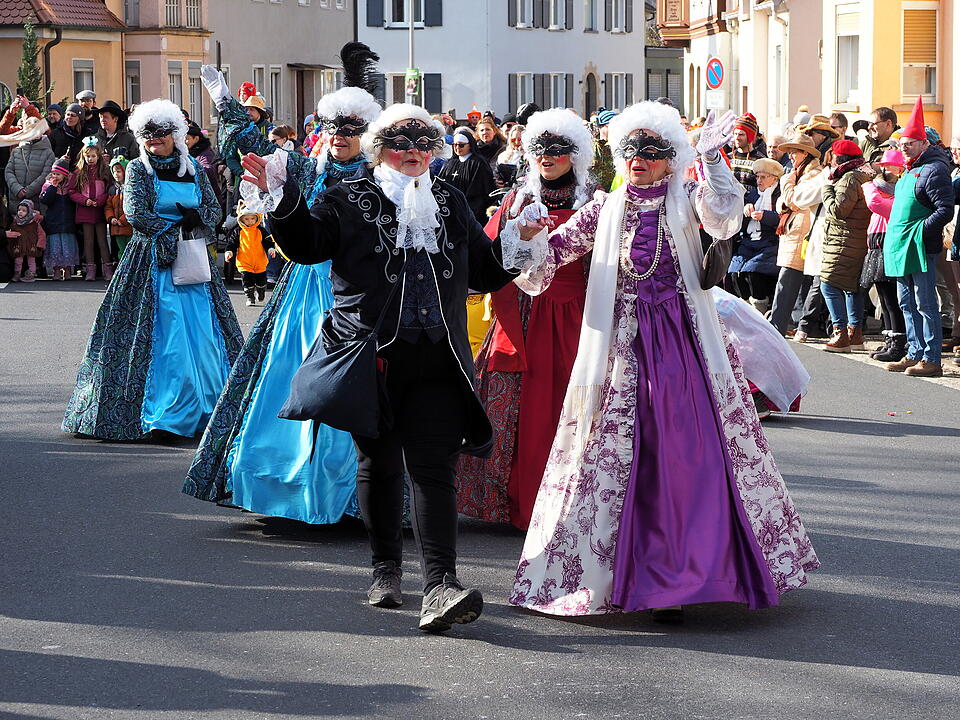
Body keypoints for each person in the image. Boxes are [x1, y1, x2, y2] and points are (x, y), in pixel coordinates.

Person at [506, 103, 817, 622]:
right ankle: (629, 574)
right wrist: (525, 235)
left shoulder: (688, 199)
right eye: (631, 151)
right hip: (621, 349)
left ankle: (689, 572)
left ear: (672, 160)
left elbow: (724, 216)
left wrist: (713, 159)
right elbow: (548, 257)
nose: (641, 161)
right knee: (619, 454)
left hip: (684, 345)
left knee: (688, 451)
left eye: (653, 152)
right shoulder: (603, 208)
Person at [244, 100, 523, 633]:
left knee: (434, 466)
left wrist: (516, 241)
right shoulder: (349, 197)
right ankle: (385, 568)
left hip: (439, 353)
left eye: (424, 143)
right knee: (379, 463)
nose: (414, 152)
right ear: (380, 150)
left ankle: (440, 584)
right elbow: (306, 246)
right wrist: (281, 197)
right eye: (401, 143)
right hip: (371, 354)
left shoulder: (449, 199)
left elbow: (485, 274)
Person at [183, 43, 381, 528]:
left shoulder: (380, 175)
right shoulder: (304, 166)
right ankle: (285, 486)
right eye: (335, 128)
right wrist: (225, 103)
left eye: (352, 130)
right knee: (288, 377)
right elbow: (249, 151)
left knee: (349, 387)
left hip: (354, 292)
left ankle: (349, 495)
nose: (341, 137)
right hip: (302, 291)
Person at [62, 98, 242, 441]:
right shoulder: (138, 170)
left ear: (175, 134)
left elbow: (213, 209)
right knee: (165, 334)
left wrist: (198, 220)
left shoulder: (194, 169)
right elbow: (137, 212)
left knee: (204, 334)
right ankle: (165, 413)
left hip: (192, 261)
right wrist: (174, 231)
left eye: (160, 134)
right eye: (147, 135)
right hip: (152, 260)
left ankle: (210, 407)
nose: (154, 140)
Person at [457, 108, 594, 530]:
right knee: (514, 402)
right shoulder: (517, 198)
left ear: (576, 154)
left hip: (577, 317)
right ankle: (516, 500)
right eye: (539, 149)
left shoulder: (594, 200)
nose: (547, 156)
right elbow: (491, 254)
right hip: (523, 314)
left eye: (557, 149)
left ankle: (572, 501)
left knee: (570, 406)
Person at [883, 99, 956, 378]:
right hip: (901, 247)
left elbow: (944, 210)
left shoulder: (934, 169)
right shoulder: (908, 170)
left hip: (920, 247)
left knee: (925, 303)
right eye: (902, 143)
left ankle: (931, 357)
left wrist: (920, 231)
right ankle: (914, 352)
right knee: (906, 303)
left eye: (910, 142)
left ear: (924, 144)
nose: (904, 146)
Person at [817, 139, 871, 353]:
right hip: (857, 239)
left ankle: (840, 333)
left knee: (828, 285)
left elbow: (839, 211)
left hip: (844, 240)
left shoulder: (849, 178)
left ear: (840, 158)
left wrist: (827, 192)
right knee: (852, 287)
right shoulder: (864, 174)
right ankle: (855, 334)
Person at [768, 134, 823, 336]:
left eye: (794, 152)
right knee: (791, 282)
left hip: (801, 233)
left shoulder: (812, 174)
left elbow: (793, 200)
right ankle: (786, 324)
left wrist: (786, 183)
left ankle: (777, 325)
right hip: (793, 232)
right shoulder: (797, 174)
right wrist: (787, 195)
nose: (790, 157)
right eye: (789, 152)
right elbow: (781, 204)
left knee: (788, 281)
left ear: (806, 153)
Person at [860, 149, 908, 362]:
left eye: (890, 166)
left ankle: (899, 342)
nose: (885, 170)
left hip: (889, 244)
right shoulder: (879, 188)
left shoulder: (899, 191)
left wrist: (868, 186)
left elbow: (877, 205)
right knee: (882, 297)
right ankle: (889, 339)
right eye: (883, 166)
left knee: (892, 299)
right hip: (876, 244)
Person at [729, 158, 783, 312]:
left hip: (770, 242)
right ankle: (745, 308)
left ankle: (759, 310)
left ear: (774, 179)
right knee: (734, 273)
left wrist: (765, 216)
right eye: (757, 177)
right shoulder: (752, 194)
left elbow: (782, 219)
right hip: (749, 241)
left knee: (754, 273)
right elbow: (740, 222)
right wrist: (745, 209)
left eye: (763, 177)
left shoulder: (779, 196)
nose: (759, 180)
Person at [68, 138, 113, 281]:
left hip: (99, 210)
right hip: (85, 210)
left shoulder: (104, 172)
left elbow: (109, 190)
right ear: (83, 156)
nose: (91, 159)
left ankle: (107, 269)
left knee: (102, 240)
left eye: (93, 156)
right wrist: (85, 200)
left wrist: (100, 200)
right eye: (88, 156)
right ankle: (90, 269)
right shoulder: (78, 172)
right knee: (88, 241)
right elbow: (72, 191)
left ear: (98, 156)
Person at [437, 128, 495, 224]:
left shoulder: (478, 163)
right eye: (455, 145)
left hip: (470, 212)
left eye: (461, 145)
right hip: (450, 210)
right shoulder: (450, 163)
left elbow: (479, 193)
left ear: (470, 145)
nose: (457, 148)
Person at [225, 204, 276, 306]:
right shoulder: (238, 231)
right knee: (247, 281)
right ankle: (250, 297)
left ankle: (261, 292)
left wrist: (271, 249)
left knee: (261, 281)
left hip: (259, 261)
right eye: (247, 219)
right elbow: (232, 244)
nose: (250, 221)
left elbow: (268, 242)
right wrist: (229, 252)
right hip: (245, 261)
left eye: (253, 218)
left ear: (257, 218)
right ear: (241, 220)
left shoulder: (261, 230)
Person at [38, 157, 79, 280]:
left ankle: (67, 270)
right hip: (54, 223)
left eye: (58, 174)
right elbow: (45, 200)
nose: (56, 176)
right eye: (54, 173)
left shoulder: (70, 187)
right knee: (55, 247)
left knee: (67, 247)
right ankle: (56, 270)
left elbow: (74, 201)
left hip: (68, 223)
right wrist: (52, 187)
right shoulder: (48, 185)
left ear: (65, 175)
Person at [5, 113, 55, 211]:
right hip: (16, 201)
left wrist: (28, 191)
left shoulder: (48, 153)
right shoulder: (17, 151)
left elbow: (45, 175)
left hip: (37, 202)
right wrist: (17, 189)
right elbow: (8, 171)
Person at [7, 199, 45, 282]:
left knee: (31, 260)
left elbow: (41, 234)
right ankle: (17, 274)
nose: (20, 212)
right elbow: (11, 233)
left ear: (29, 211)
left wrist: (40, 244)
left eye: (24, 210)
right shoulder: (15, 223)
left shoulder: (34, 223)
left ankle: (31, 274)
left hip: (31, 245)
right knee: (18, 260)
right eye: (19, 210)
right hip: (19, 246)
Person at [104, 156, 133, 260]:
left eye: (119, 171)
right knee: (121, 250)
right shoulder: (113, 190)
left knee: (131, 250)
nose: (116, 174)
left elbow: (132, 206)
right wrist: (111, 218)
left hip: (129, 226)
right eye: (114, 172)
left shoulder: (131, 188)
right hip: (116, 227)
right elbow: (108, 207)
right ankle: (123, 271)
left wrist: (123, 220)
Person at [729, 113, 764, 188]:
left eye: (741, 134)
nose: (737, 138)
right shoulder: (728, 158)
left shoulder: (760, 161)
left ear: (750, 137)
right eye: (735, 134)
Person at [591, 109, 617, 192]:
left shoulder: (619, 147)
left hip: (614, 194)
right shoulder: (590, 147)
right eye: (610, 126)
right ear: (601, 127)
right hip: (593, 195)